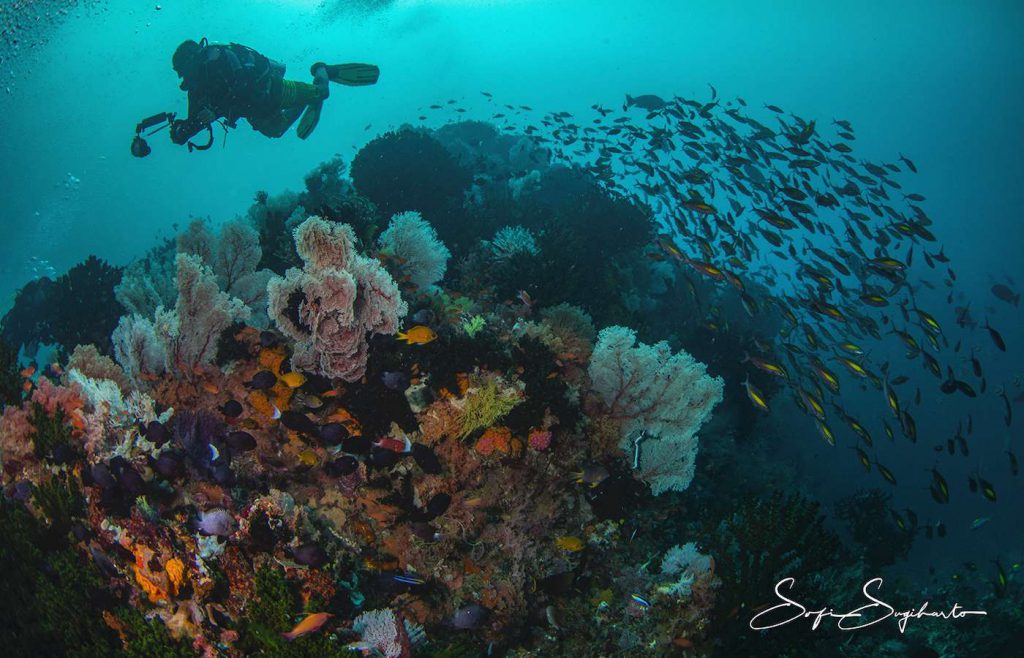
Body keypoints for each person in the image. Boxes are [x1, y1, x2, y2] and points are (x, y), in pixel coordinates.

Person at [168, 38, 379, 147]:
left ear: (194, 61)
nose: (184, 79)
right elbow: (195, 120)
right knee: (276, 131)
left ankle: (324, 71)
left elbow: (245, 84)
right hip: (254, 111)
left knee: (321, 92)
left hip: (273, 90)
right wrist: (183, 132)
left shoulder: (221, 59)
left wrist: (216, 112)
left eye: (184, 71)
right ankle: (306, 101)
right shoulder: (196, 88)